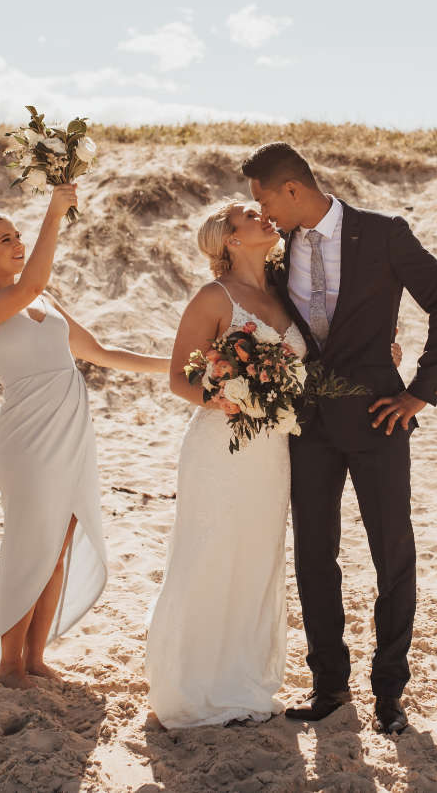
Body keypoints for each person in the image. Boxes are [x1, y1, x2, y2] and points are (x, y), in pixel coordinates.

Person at [243, 142, 437, 736]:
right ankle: (329, 686)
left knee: (392, 554)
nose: (260, 213)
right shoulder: (275, 250)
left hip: (379, 419)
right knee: (315, 555)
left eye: (263, 198)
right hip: (307, 426)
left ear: (292, 189)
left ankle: (390, 691)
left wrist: (420, 390)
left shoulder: (384, 234)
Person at [0, 184, 168, 688]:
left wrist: (182, 368)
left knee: (59, 543)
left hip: (72, 435)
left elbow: (102, 351)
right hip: (28, 440)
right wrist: (54, 210)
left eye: (19, 235)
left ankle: (35, 657)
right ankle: (8, 666)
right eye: (6, 239)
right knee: (30, 543)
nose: (17, 243)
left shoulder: (41, 300)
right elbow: (25, 288)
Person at [146, 200, 300, 728]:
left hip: (272, 451)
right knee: (210, 552)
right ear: (231, 239)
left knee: (257, 557)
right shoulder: (214, 297)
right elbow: (177, 378)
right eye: (249, 215)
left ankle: (244, 680)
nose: (264, 216)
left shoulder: (283, 293)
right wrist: (225, 395)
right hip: (220, 446)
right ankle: (191, 685)